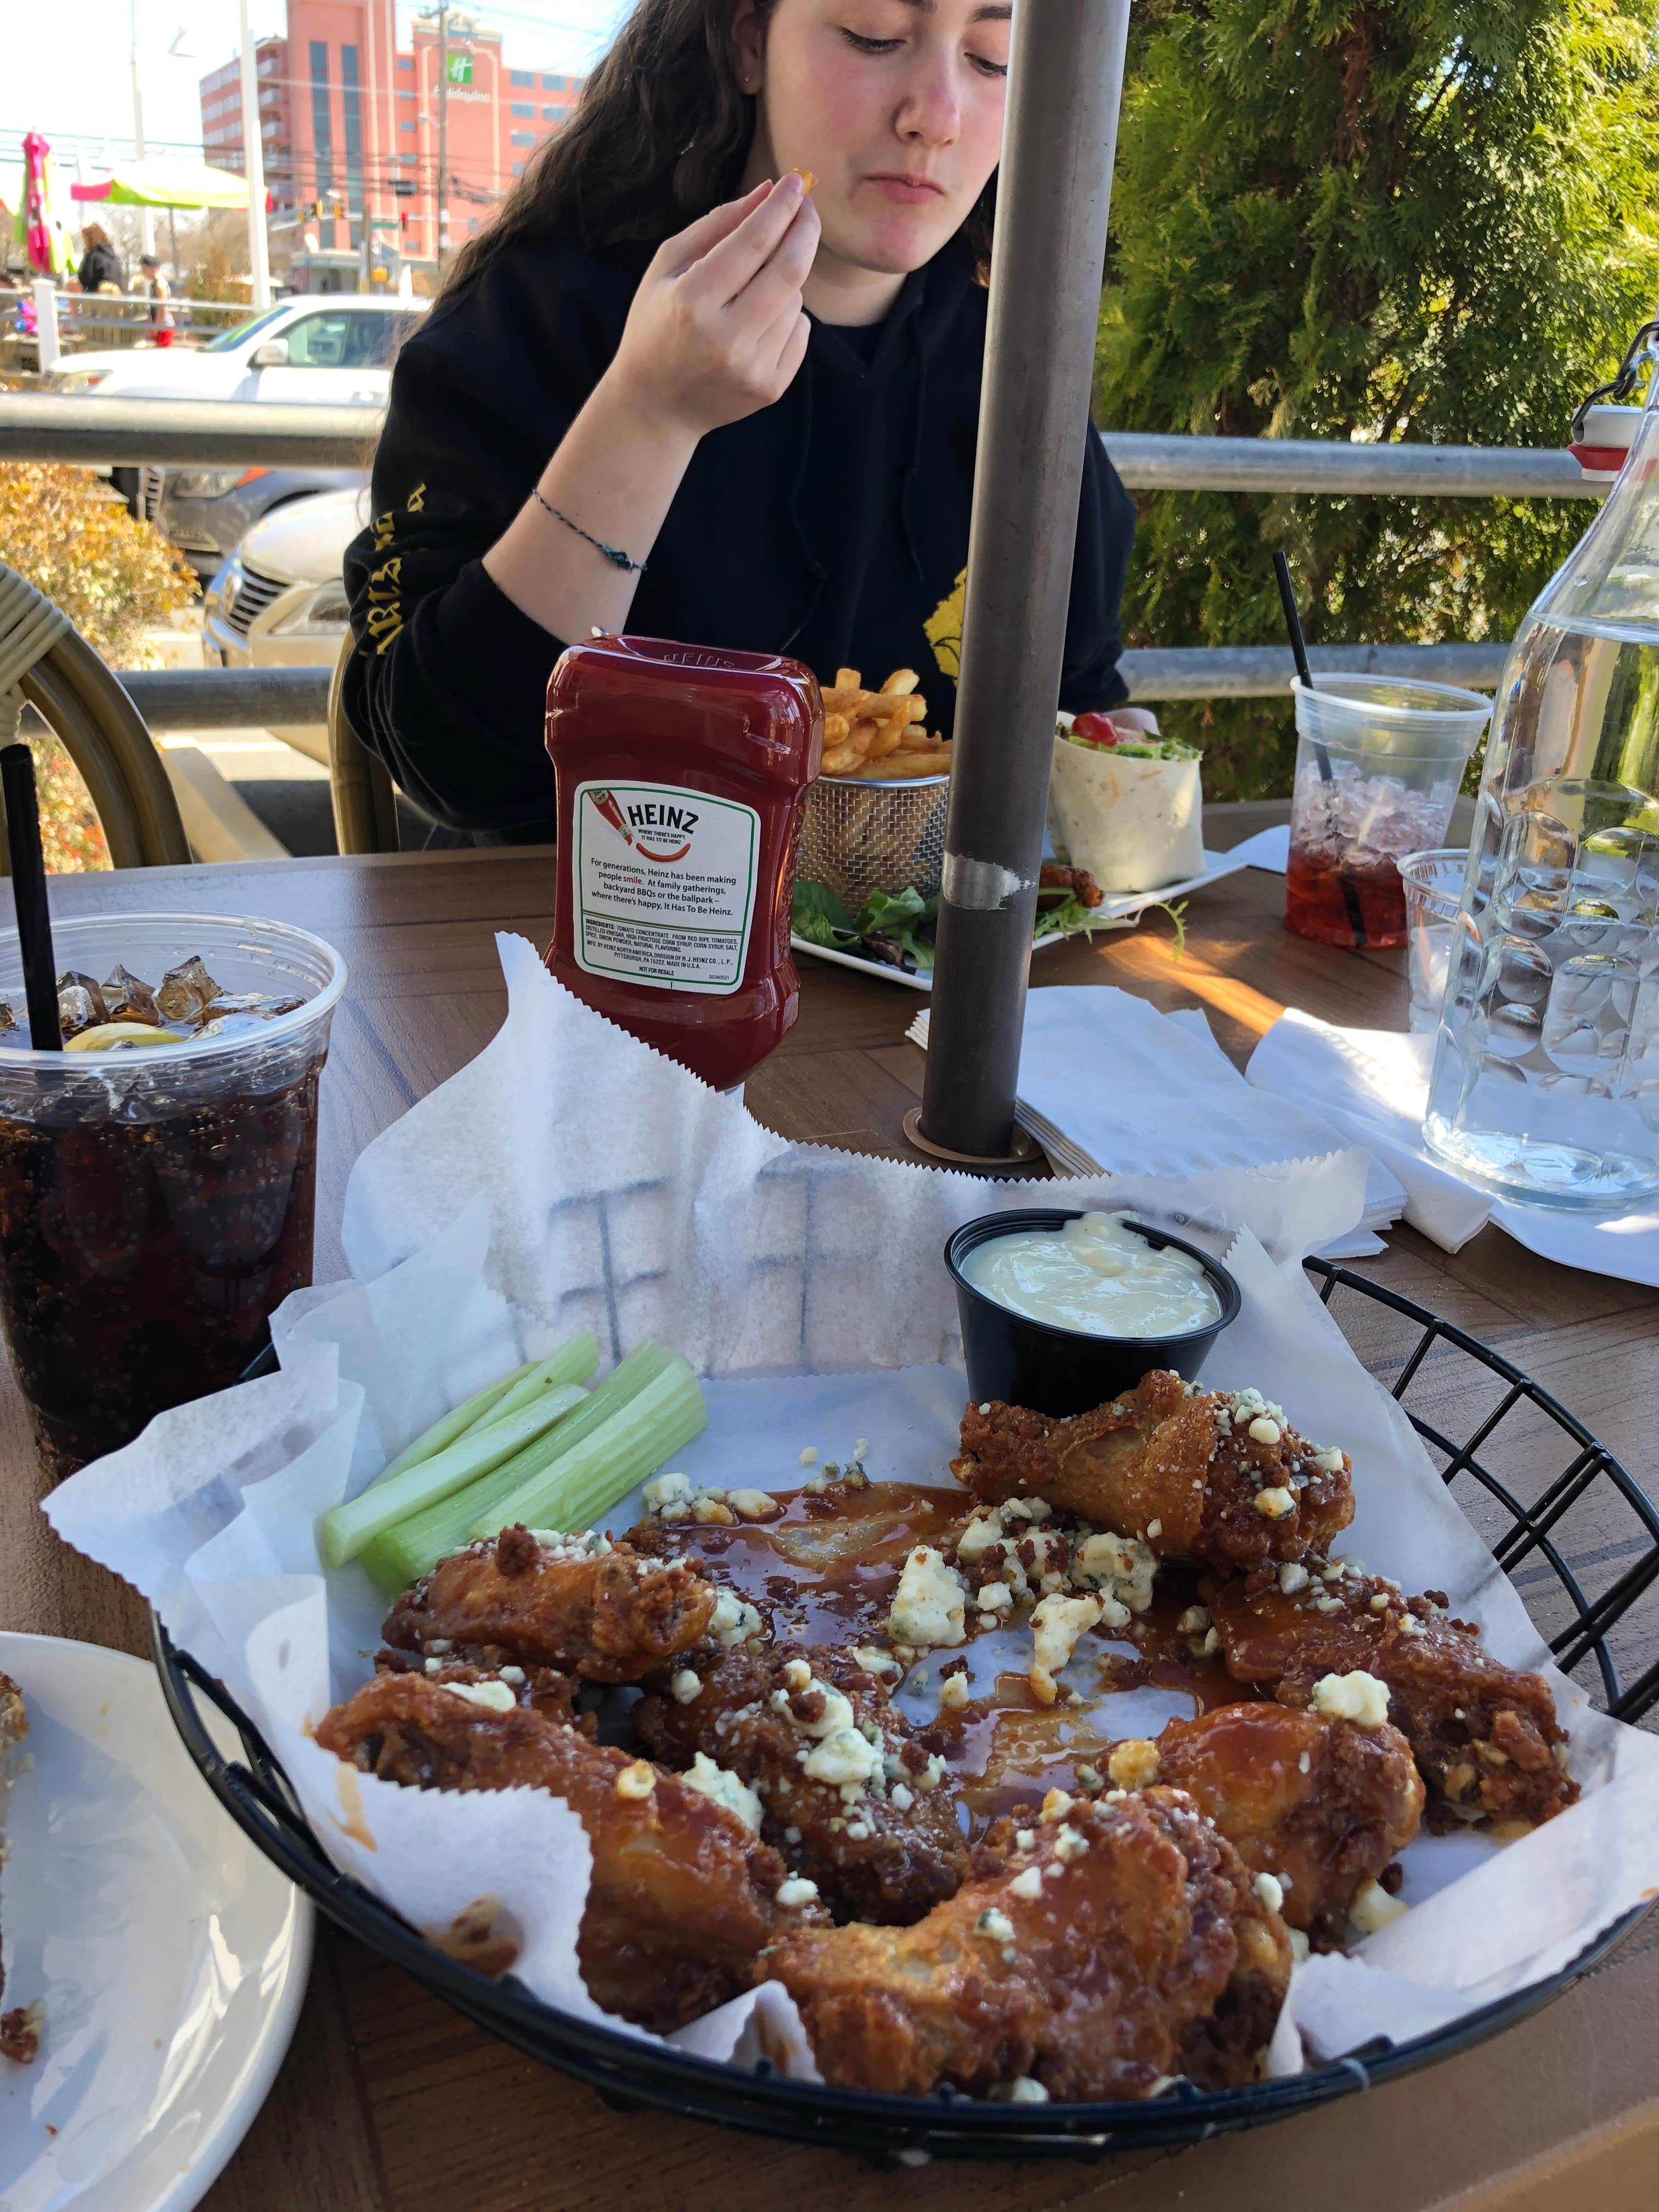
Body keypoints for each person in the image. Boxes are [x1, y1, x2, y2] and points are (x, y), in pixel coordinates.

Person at [343, 0, 1148, 844]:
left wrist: (1137, 798)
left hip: (914, 962)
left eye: (992, 59)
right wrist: (648, 414)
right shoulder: (537, 317)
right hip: (580, 949)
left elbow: (1082, 697)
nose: (935, 118)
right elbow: (449, 759)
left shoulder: (1019, 372)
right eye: (875, 35)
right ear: (746, 44)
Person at [75, 223, 123, 297]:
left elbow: (84, 279)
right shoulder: (114, 257)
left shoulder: (93, 256)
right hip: (118, 296)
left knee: (73, 284)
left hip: (99, 297)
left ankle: (73, 309)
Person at [140, 253, 175, 348]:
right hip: (159, 325)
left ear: (153, 269)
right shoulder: (153, 284)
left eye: (145, 270)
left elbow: (162, 308)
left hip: (164, 327)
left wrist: (157, 327)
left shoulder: (160, 285)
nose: (144, 273)